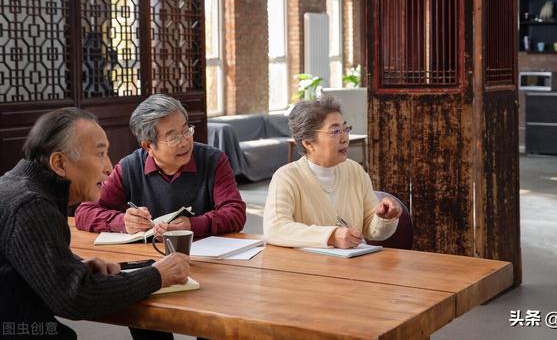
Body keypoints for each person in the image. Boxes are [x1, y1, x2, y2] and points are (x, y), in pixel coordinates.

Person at [0, 108, 190, 340]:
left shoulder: (16, 187)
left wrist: (75, 265)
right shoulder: (31, 206)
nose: (108, 166)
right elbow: (74, 298)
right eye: (100, 153)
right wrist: (157, 275)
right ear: (59, 163)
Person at [74, 94, 246, 239]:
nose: (185, 142)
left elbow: (235, 213)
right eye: (173, 137)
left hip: (202, 255)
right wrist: (122, 221)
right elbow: (84, 212)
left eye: (186, 130)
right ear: (148, 146)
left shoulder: (213, 160)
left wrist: (193, 225)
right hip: (145, 256)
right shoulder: (129, 167)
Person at [263, 95, 402, 249]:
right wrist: (331, 237)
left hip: (354, 262)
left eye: (345, 129)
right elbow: (275, 228)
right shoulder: (287, 177)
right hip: (308, 263)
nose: (345, 138)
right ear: (309, 143)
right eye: (335, 131)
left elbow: (372, 229)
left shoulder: (355, 171)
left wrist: (384, 218)